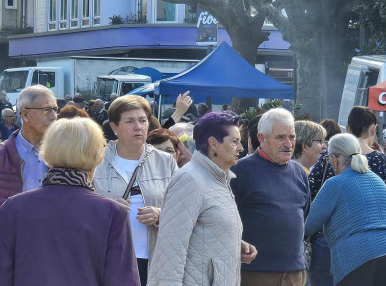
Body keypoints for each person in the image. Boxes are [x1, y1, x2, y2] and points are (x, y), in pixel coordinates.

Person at [0, 117, 138, 285]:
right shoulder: (112, 212)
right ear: (96, 154)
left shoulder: (14, 207)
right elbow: (123, 280)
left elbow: (0, 276)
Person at [149, 112, 258, 285]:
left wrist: (233, 242)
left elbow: (204, 227)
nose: (241, 148)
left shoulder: (218, 177)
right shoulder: (190, 179)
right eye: (235, 141)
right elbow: (170, 249)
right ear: (213, 144)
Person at [92, 96, 177, 284]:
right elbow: (80, 204)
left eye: (143, 120)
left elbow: (183, 208)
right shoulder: (96, 160)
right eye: (130, 121)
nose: (138, 127)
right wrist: (105, 207)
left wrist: (159, 214)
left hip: (154, 258)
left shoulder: (166, 161)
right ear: (115, 127)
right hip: (108, 257)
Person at [0, 86, 54, 274]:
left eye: (56, 109)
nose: (53, 116)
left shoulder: (63, 155)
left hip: (55, 256)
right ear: (25, 114)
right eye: (47, 110)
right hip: (12, 257)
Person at [231, 108, 310, 285]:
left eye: (292, 137)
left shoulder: (300, 173)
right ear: (261, 138)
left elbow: (304, 214)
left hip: (294, 272)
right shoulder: (239, 171)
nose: (288, 144)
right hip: (255, 273)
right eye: (280, 137)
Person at [304, 133, 386, 285]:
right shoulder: (377, 180)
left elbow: (309, 226)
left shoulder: (335, 184)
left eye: (328, 158)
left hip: (357, 259)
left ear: (335, 158)